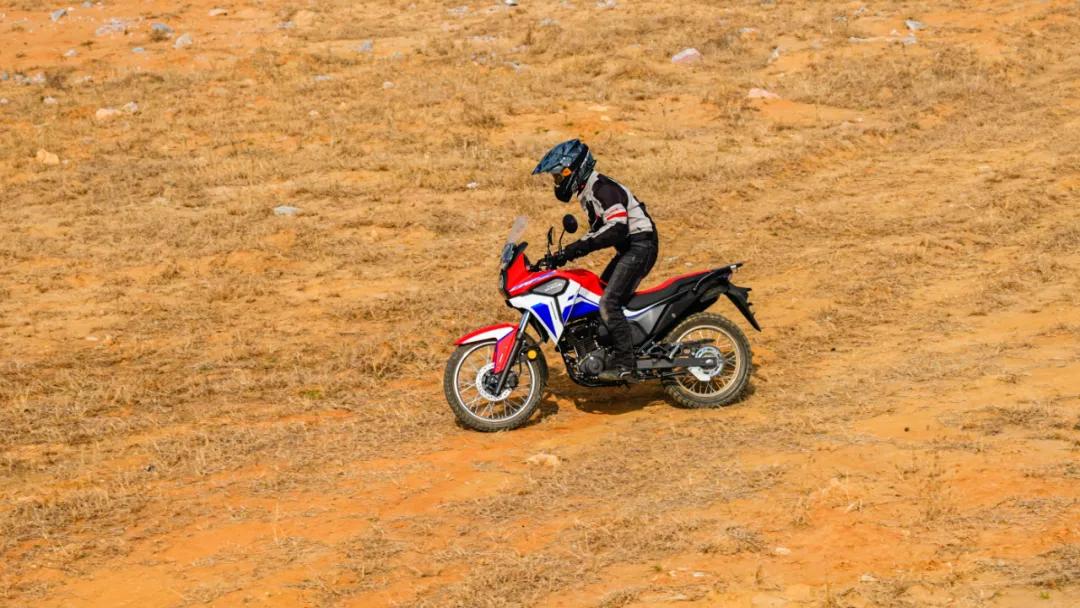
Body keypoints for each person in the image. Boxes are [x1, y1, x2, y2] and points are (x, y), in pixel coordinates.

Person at [532, 139, 659, 382]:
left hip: (640, 247)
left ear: (574, 169)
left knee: (608, 303)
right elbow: (597, 232)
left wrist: (577, 248)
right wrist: (564, 254)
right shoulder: (589, 191)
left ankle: (626, 366)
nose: (557, 182)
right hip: (630, 249)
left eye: (558, 176)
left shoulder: (603, 188)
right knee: (597, 295)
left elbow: (617, 228)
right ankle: (612, 350)